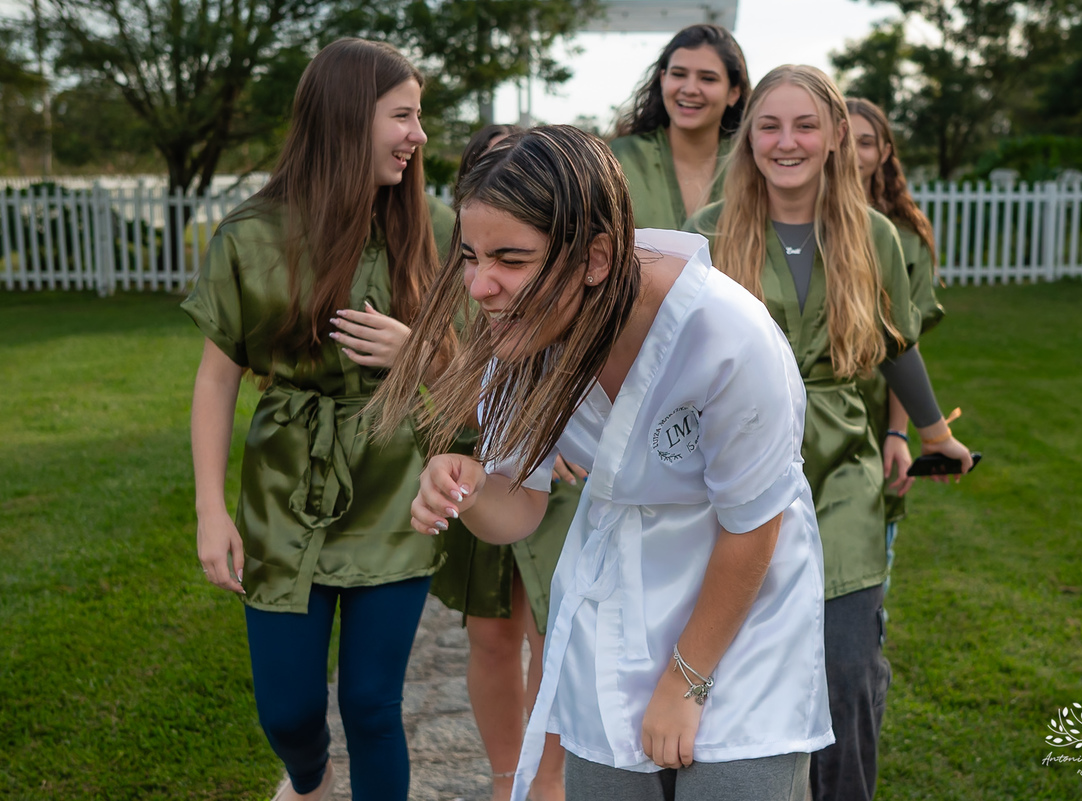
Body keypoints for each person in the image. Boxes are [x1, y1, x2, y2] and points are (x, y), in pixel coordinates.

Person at [369, 125, 833, 801]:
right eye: (470, 256)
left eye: (511, 258)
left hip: (743, 622)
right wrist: (468, 488)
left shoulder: (729, 337)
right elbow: (519, 510)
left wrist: (686, 676)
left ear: (595, 258)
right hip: (615, 619)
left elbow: (754, 526)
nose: (479, 284)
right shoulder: (524, 341)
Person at [684, 66, 974, 801]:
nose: (787, 142)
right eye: (769, 126)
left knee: (846, 664)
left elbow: (897, 342)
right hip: (737, 462)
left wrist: (933, 432)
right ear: (748, 137)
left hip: (843, 461)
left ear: (837, 135)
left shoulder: (872, 233)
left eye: (805, 125)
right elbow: (666, 358)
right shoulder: (706, 233)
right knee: (738, 659)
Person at [183, 38, 447, 801]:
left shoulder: (427, 221)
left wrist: (415, 353)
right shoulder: (250, 235)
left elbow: (478, 360)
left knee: (371, 703)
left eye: (419, 116)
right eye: (402, 115)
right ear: (345, 117)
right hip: (286, 488)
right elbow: (216, 375)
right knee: (289, 708)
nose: (418, 135)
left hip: (393, 484)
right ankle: (310, 777)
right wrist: (210, 509)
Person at [430, 122, 577, 801]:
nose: (483, 279)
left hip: (549, 476)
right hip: (486, 465)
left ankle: (548, 778)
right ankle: (504, 778)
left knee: (554, 633)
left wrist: (566, 431)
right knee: (491, 633)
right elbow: (449, 389)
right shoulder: (465, 273)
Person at [846, 97, 946, 594]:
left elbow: (904, 346)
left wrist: (898, 434)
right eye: (843, 137)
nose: (853, 151)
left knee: (866, 560)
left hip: (875, 405)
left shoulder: (904, 237)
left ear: (885, 151)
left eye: (866, 141)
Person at [610, 24, 750, 228]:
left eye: (708, 78)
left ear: (733, 93)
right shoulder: (619, 159)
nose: (690, 89)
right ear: (663, 79)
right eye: (679, 74)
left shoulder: (752, 164)